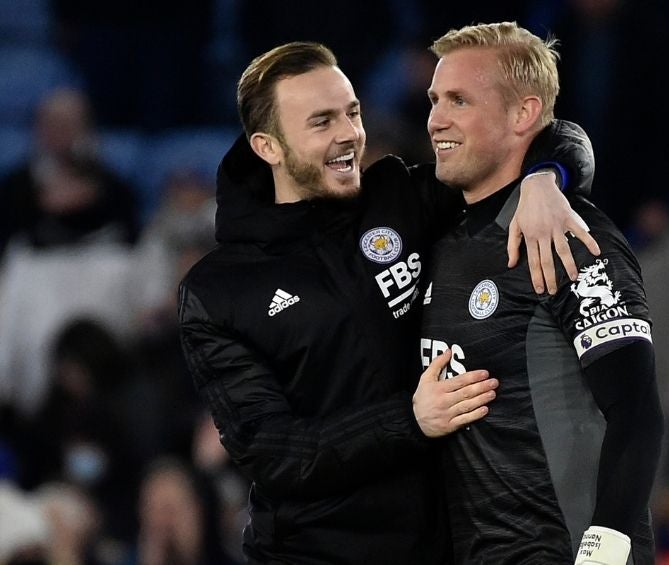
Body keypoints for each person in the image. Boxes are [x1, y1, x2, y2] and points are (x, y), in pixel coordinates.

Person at [178, 41, 598, 564]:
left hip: (446, 544)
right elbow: (275, 454)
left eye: (352, 113)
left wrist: (542, 180)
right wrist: (411, 419)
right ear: (268, 147)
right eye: (321, 122)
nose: (348, 135)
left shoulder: (401, 197)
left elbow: (554, 137)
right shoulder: (219, 292)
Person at [419, 22, 663, 564]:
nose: (436, 119)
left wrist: (605, 549)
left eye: (459, 100)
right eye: (434, 99)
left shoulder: (567, 234)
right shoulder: (440, 240)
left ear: (524, 114)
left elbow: (635, 408)